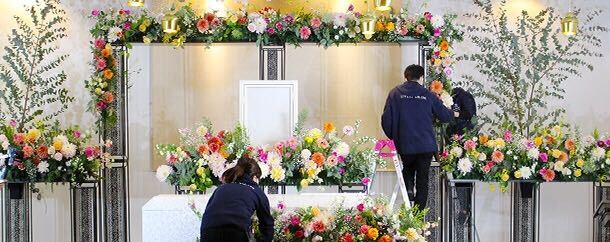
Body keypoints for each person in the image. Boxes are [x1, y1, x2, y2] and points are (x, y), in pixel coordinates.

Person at [381, 64, 454, 208]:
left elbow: (386, 120)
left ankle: (408, 191)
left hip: (405, 144)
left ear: (405, 76)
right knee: (423, 180)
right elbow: (445, 116)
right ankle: (418, 219)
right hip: (425, 145)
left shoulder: (395, 93)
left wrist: (395, 137)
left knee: (407, 170)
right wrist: (453, 113)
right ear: (421, 78)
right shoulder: (428, 95)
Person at [200, 157, 274, 242]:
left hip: (208, 231)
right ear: (254, 177)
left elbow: (208, 213)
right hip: (236, 232)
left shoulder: (221, 188)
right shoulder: (256, 191)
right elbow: (267, 224)